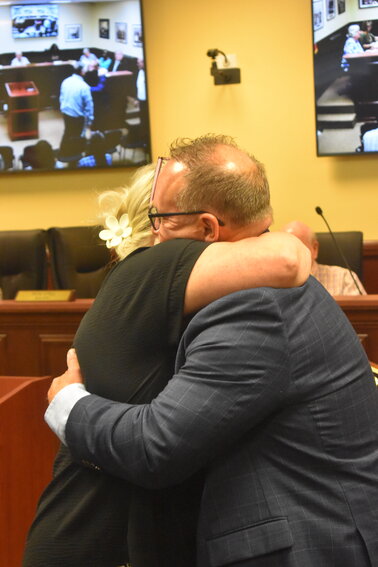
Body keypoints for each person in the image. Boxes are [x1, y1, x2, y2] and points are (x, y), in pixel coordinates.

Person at [46, 135, 378, 567]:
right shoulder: (265, 286)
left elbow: (156, 446)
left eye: (160, 219)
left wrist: (68, 403)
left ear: (206, 228)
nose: (154, 235)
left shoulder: (256, 307)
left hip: (306, 543)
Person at [282, 220, 367, 295]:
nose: (289, 253)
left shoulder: (344, 278)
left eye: (296, 247)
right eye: (283, 248)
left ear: (314, 248)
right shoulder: (275, 282)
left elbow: (361, 311)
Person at [59, 62, 94, 146]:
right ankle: (75, 155)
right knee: (78, 137)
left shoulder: (65, 81)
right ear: (82, 72)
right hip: (77, 116)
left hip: (66, 113)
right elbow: (89, 105)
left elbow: (61, 98)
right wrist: (90, 120)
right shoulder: (84, 86)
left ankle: (63, 152)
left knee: (67, 132)